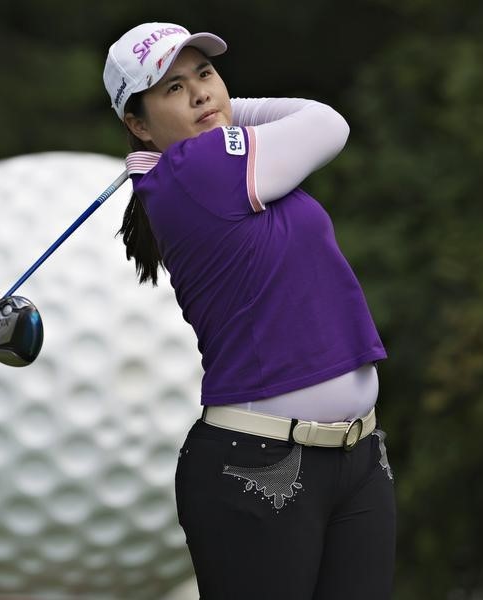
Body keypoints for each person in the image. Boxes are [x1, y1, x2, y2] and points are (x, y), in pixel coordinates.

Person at [103, 22, 396, 600]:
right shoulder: (199, 171)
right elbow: (326, 123)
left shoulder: (219, 168)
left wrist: (223, 111)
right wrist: (233, 113)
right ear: (138, 124)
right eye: (172, 89)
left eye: (205, 75)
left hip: (358, 457)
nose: (201, 94)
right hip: (256, 464)